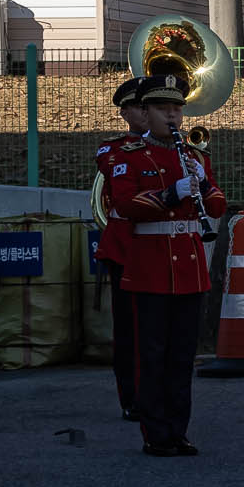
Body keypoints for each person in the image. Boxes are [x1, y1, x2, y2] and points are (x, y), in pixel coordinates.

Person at [103, 71, 229, 455]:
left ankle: (179, 429)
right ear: (145, 111)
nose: (172, 117)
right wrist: (172, 192)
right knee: (151, 354)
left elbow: (219, 204)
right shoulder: (128, 156)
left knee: (181, 355)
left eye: (177, 109)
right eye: (163, 109)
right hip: (150, 265)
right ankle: (155, 432)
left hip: (189, 265)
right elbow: (125, 204)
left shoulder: (193, 156)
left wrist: (203, 187)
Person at [95, 77, 149, 423]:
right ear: (125, 112)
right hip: (127, 246)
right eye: (141, 107)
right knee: (131, 328)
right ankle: (132, 396)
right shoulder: (114, 149)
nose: (148, 113)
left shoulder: (181, 148)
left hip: (167, 246)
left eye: (153, 106)